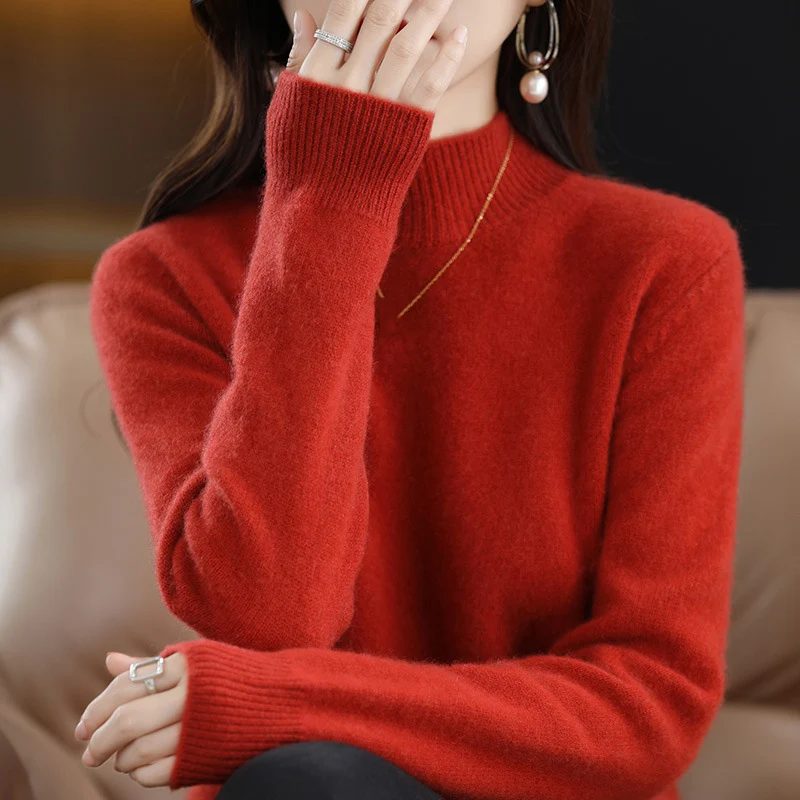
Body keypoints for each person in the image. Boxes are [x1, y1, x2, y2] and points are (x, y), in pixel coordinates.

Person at [74, 0, 747, 798]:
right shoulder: (163, 277)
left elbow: (650, 705)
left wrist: (276, 706)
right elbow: (274, 613)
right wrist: (332, 196)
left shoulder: (665, 266)